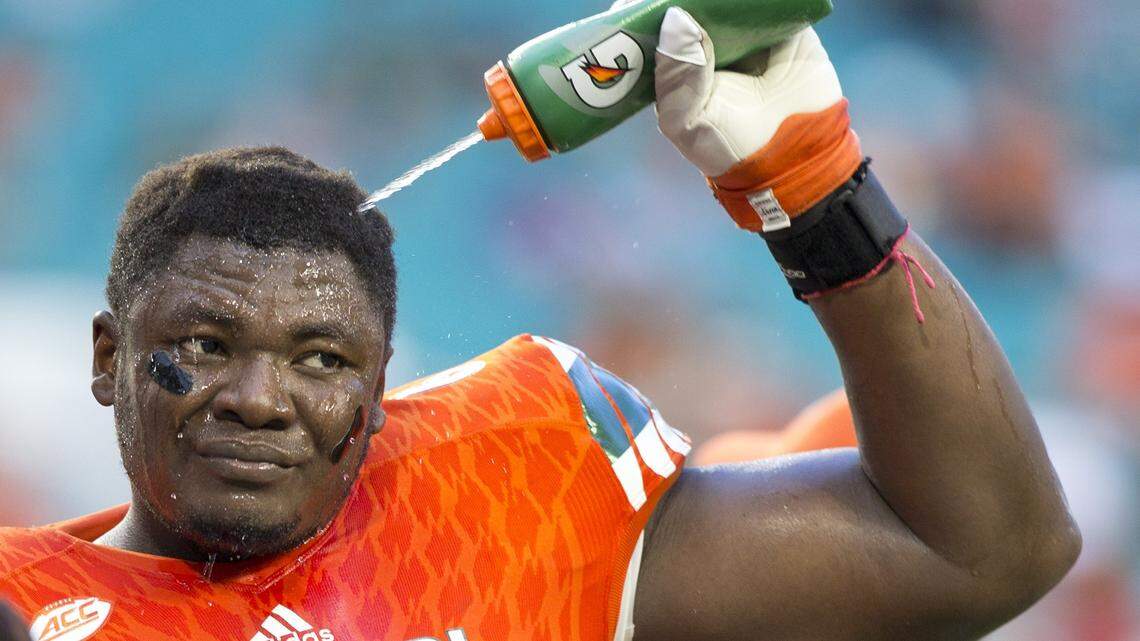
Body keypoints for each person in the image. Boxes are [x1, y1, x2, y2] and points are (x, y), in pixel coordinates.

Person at [0, 9, 1079, 641]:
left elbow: (982, 549)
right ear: (108, 358)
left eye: (320, 357)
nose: (258, 396)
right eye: (204, 344)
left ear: (377, 394)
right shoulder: (32, 597)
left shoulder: (500, 492)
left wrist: (817, 185)